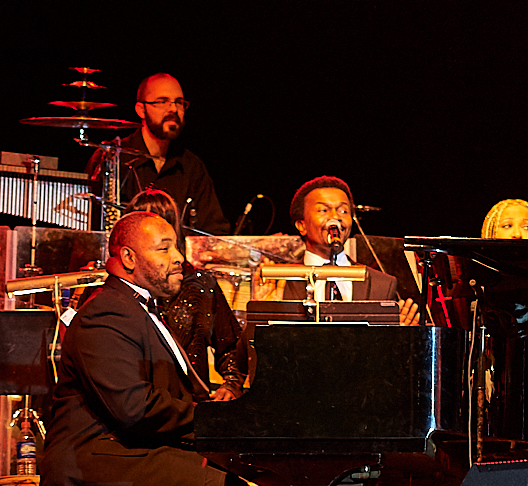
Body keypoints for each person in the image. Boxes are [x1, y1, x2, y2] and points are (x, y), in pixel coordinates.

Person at [40, 211, 231, 486]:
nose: (179, 258)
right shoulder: (107, 311)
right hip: (96, 462)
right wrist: (213, 421)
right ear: (128, 257)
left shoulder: (138, 308)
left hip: (134, 451)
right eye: (164, 249)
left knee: (246, 484)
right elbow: (132, 407)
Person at [131, 189, 247, 395]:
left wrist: (230, 386)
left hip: (189, 412)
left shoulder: (198, 284)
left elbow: (232, 349)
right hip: (136, 407)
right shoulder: (116, 291)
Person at [261, 176, 421, 324]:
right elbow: (246, 352)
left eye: (343, 211)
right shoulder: (280, 282)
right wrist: (260, 317)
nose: (334, 217)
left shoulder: (381, 284)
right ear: (301, 225)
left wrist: (399, 337)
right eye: (323, 210)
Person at [94, 73, 230, 235]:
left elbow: (215, 231)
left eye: (179, 102)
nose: (173, 109)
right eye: (162, 101)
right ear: (141, 110)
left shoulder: (191, 167)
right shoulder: (113, 158)